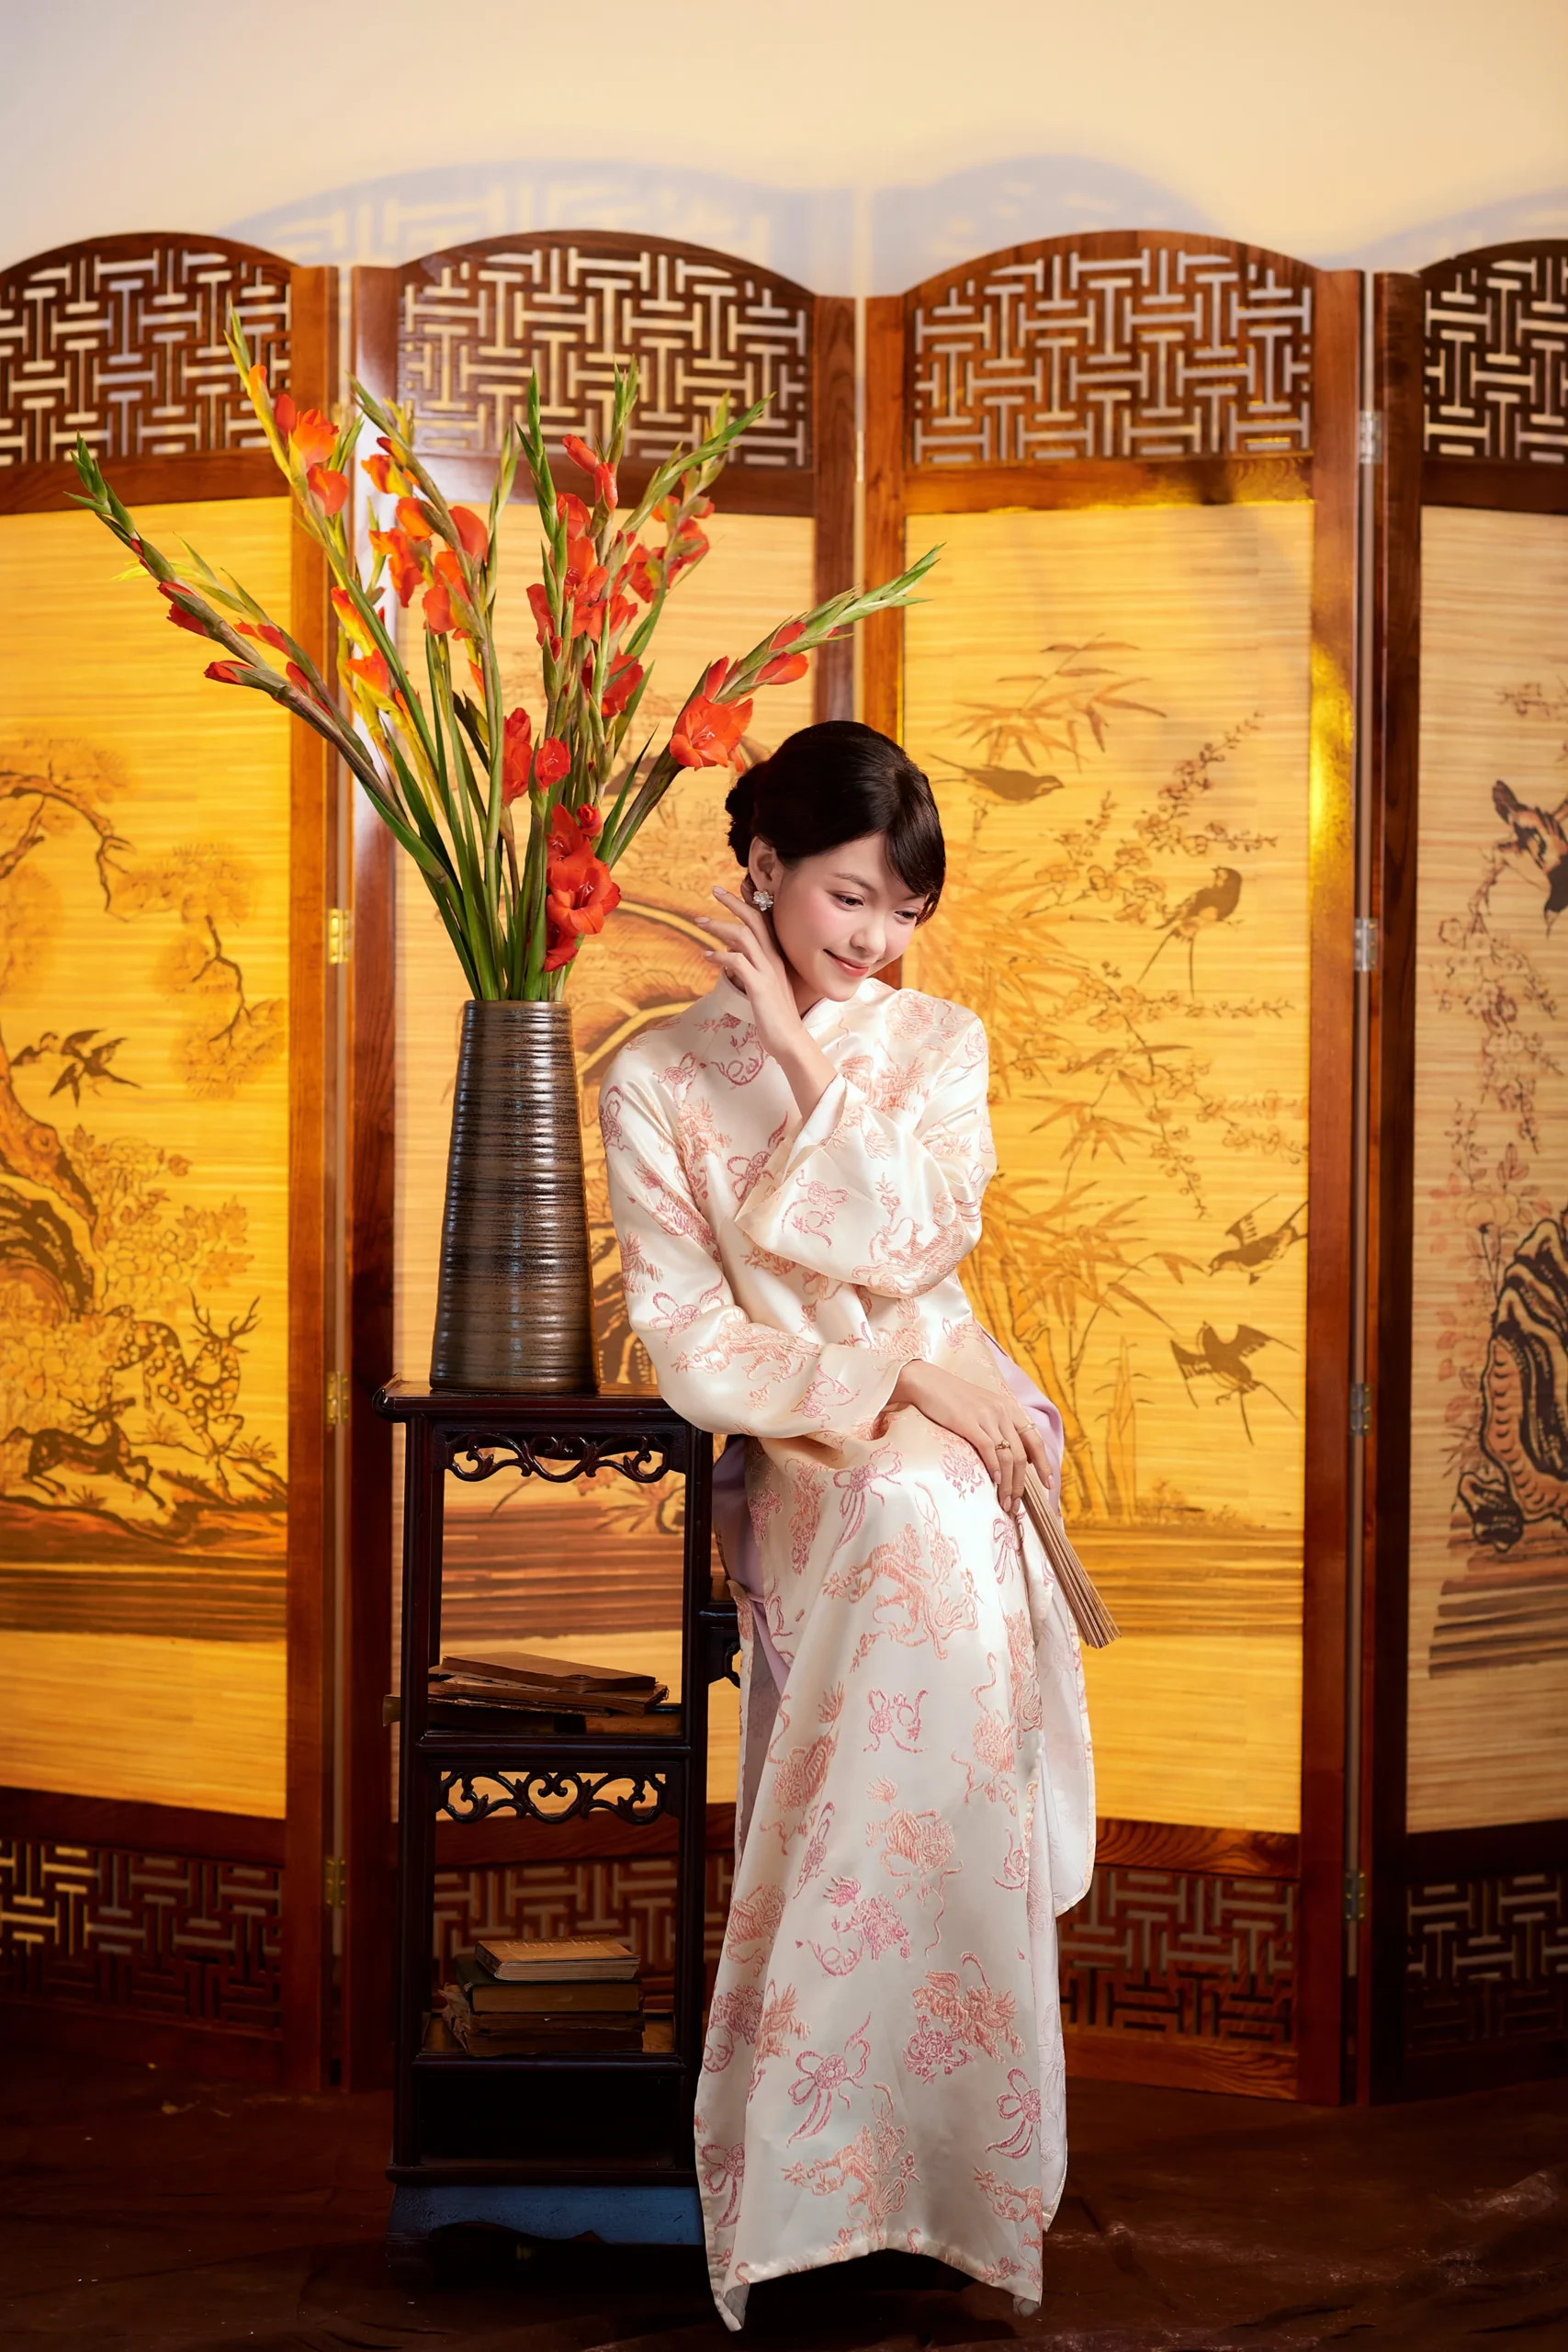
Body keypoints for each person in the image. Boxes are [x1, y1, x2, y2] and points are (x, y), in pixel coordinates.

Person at [597, 719, 1095, 2330]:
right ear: (762, 867)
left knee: (932, 1515)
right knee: (893, 1510)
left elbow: (926, 1237)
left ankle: (946, 2173)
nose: (875, 939)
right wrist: (892, 1379)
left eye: (902, 910)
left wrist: (808, 1064)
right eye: (848, 898)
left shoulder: (936, 1045)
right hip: (804, 1439)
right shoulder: (653, 1080)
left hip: (954, 1424)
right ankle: (817, 2165)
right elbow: (690, 1339)